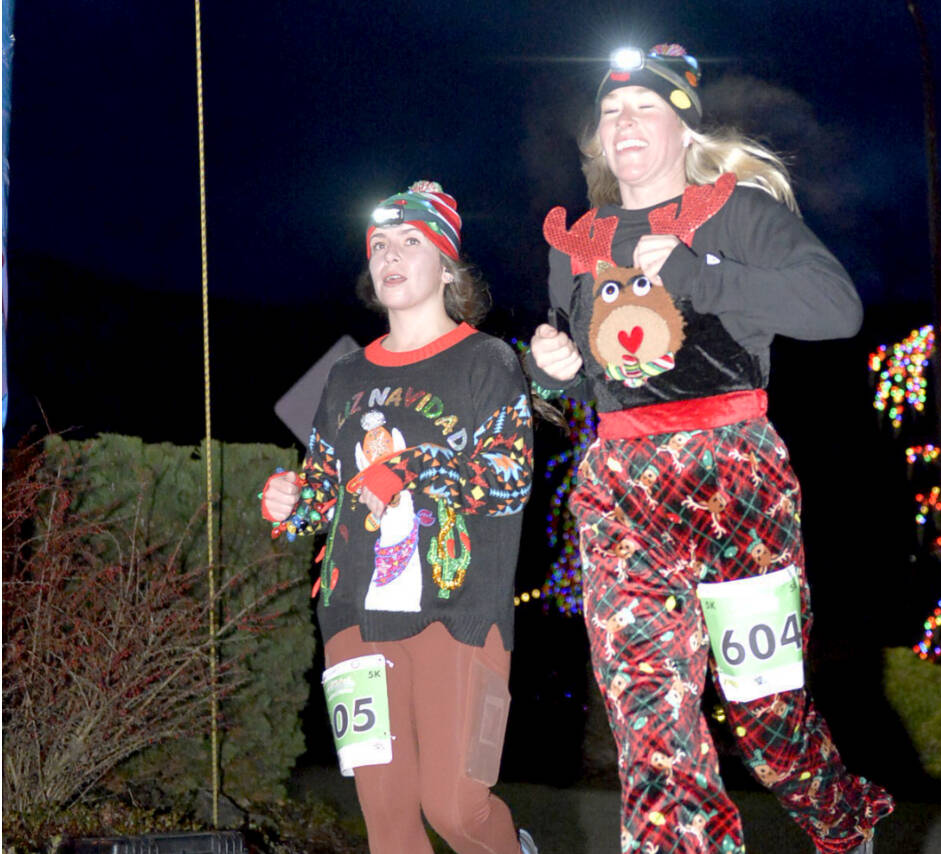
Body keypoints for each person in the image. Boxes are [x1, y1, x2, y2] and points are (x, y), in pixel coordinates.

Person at [527, 44, 893, 854]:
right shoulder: (576, 244)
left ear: (683, 127)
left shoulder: (739, 215)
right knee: (651, 722)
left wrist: (704, 276)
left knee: (766, 716)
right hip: (619, 492)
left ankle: (841, 818)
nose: (623, 123)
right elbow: (599, 380)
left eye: (644, 108)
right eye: (611, 112)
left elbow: (836, 309)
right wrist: (553, 375)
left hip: (735, 480)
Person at [262, 180, 538, 854]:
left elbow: (510, 480)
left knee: (455, 807)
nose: (390, 255)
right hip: (353, 619)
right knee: (387, 821)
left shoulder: (489, 361)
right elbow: (326, 496)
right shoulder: (346, 375)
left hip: (460, 616)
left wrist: (409, 468)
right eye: (379, 245)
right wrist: (292, 506)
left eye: (410, 242)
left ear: (446, 266)